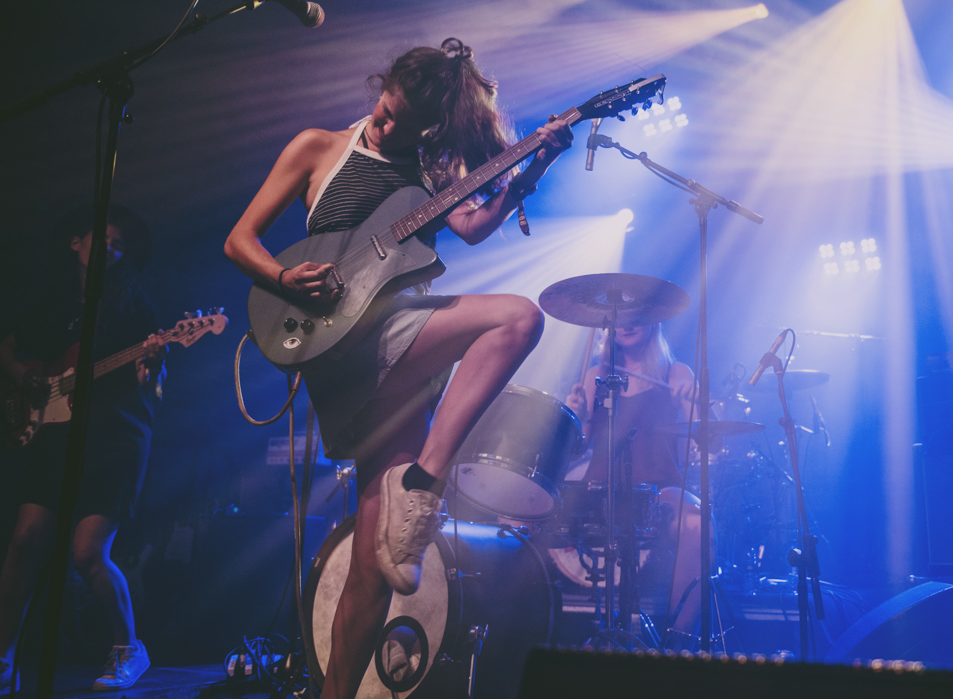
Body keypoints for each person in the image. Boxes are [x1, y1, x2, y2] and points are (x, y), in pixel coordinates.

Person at [224, 38, 572, 699]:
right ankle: (428, 476)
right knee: (519, 316)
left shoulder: (430, 173)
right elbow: (238, 240)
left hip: (398, 338)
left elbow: (471, 227)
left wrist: (531, 171)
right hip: (339, 344)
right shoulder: (317, 147)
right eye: (383, 110)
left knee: (379, 562)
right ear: (380, 89)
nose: (385, 126)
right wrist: (282, 275)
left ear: (429, 129)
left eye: (400, 123)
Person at [0, 205, 165, 691]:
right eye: (103, 239)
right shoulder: (53, 302)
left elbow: (150, 382)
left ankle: (128, 650)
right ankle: (3, 661)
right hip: (57, 434)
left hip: (115, 436)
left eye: (119, 245)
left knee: (88, 553)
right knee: (25, 540)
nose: (110, 249)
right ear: (77, 243)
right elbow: (8, 347)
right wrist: (19, 372)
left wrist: (151, 364)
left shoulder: (133, 305)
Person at [564, 324, 706, 649]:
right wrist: (574, 416)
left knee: (698, 524)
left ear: (653, 321)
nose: (626, 324)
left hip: (659, 490)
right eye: (620, 318)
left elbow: (700, 449)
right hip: (602, 489)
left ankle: (679, 644)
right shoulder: (596, 374)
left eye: (636, 316)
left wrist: (694, 406)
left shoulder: (675, 372)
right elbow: (577, 448)